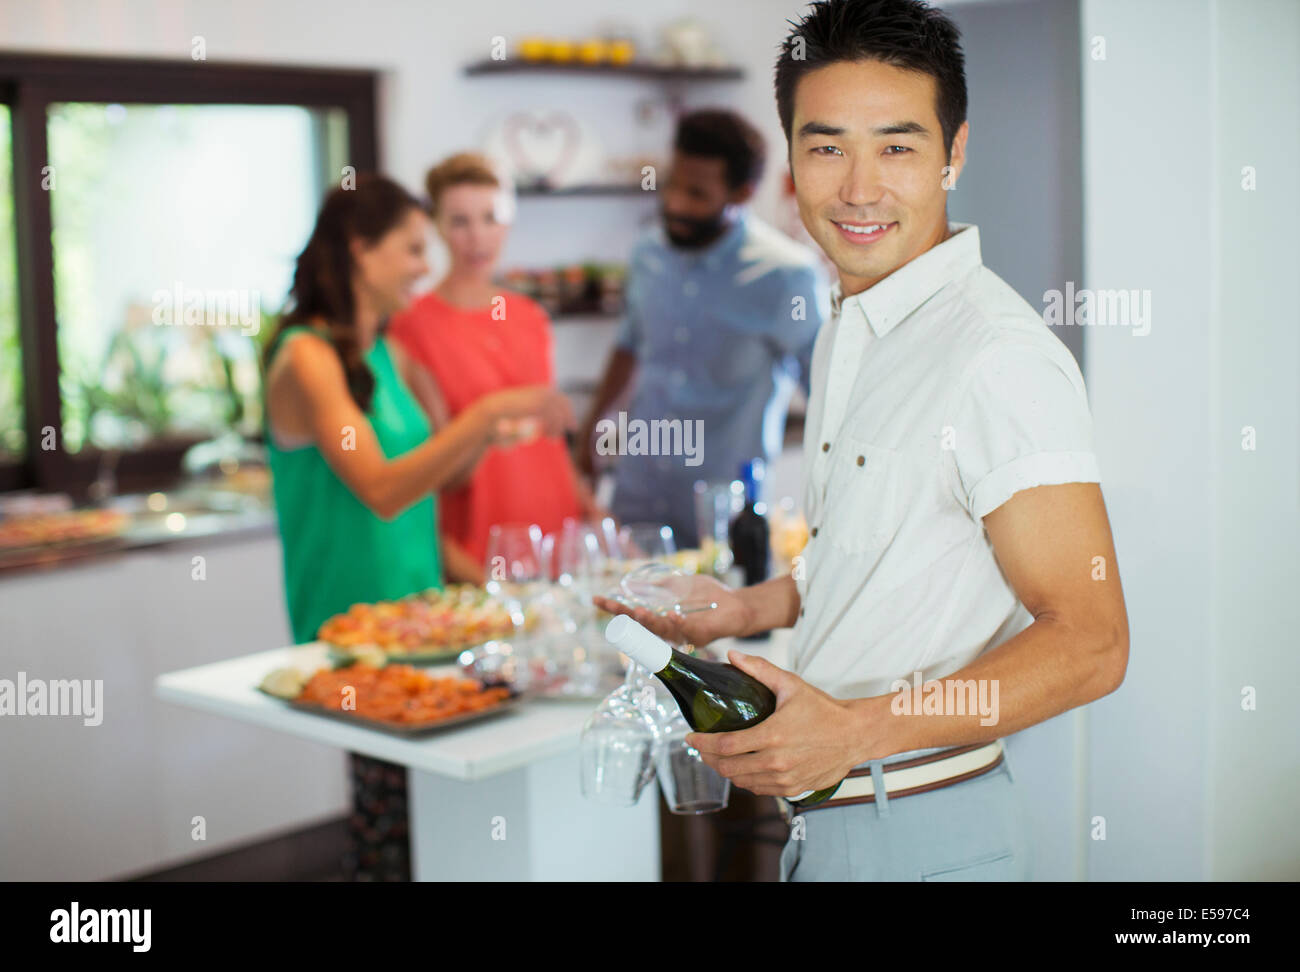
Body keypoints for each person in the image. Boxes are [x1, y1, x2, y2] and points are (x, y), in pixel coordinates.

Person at [598, 0, 1129, 882]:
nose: (858, 188)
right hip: (840, 825)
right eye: (827, 146)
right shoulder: (852, 322)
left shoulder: (996, 356)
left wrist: (853, 730)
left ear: (955, 152)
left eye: (897, 145)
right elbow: (877, 550)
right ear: (791, 161)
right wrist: (746, 608)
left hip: (923, 825)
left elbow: (1092, 641)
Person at [262, 174, 569, 879]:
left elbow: (440, 478)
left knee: (441, 828)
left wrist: (487, 431)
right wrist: (485, 415)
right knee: (395, 827)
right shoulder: (305, 357)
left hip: (419, 618)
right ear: (358, 251)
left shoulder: (387, 354)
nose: (424, 268)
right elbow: (381, 489)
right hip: (354, 631)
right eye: (410, 249)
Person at [577, 109, 829, 546]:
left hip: (722, 519)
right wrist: (591, 432)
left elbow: (828, 391)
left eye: (696, 194)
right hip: (636, 499)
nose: (674, 204)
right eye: (672, 184)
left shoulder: (787, 278)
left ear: (743, 193)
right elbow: (630, 347)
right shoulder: (646, 256)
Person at [388, 153, 599, 577]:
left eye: (491, 217)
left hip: (560, 537)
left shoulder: (529, 316)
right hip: (480, 548)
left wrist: (595, 515)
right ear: (437, 227)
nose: (478, 237)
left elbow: (550, 442)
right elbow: (435, 466)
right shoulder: (411, 327)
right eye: (460, 221)